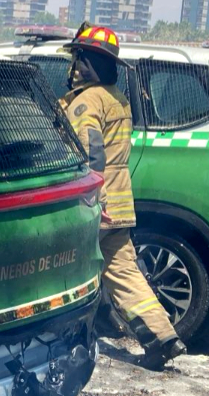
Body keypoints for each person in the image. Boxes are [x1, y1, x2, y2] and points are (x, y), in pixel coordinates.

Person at [59, 24, 186, 371]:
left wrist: (88, 201)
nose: (73, 68)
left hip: (94, 204)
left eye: (77, 60)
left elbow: (89, 153)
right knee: (122, 270)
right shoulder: (118, 98)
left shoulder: (86, 102)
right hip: (120, 200)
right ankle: (162, 337)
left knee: (67, 270)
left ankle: (64, 339)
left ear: (85, 63)